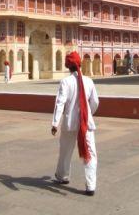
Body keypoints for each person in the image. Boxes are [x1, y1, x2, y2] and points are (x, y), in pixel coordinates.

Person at [51, 51, 99, 196]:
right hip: (86, 123)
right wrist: (88, 113)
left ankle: (63, 176)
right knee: (90, 153)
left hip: (69, 123)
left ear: (68, 66)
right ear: (80, 64)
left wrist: (55, 123)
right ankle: (90, 186)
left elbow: (60, 103)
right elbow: (95, 102)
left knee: (65, 151)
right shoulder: (89, 81)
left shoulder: (66, 82)